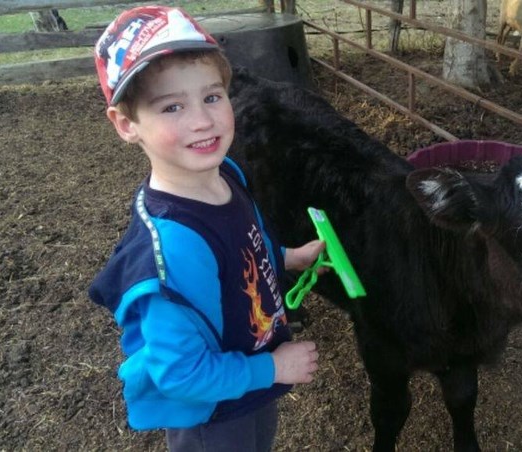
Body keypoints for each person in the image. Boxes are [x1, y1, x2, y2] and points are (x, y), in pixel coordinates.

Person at [88, 6, 322, 451]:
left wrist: (287, 257)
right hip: (210, 415)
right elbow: (180, 375)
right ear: (126, 124)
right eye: (172, 106)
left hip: (246, 382)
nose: (202, 120)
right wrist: (273, 369)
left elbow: (246, 243)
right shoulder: (174, 250)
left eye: (212, 96)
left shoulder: (226, 173)